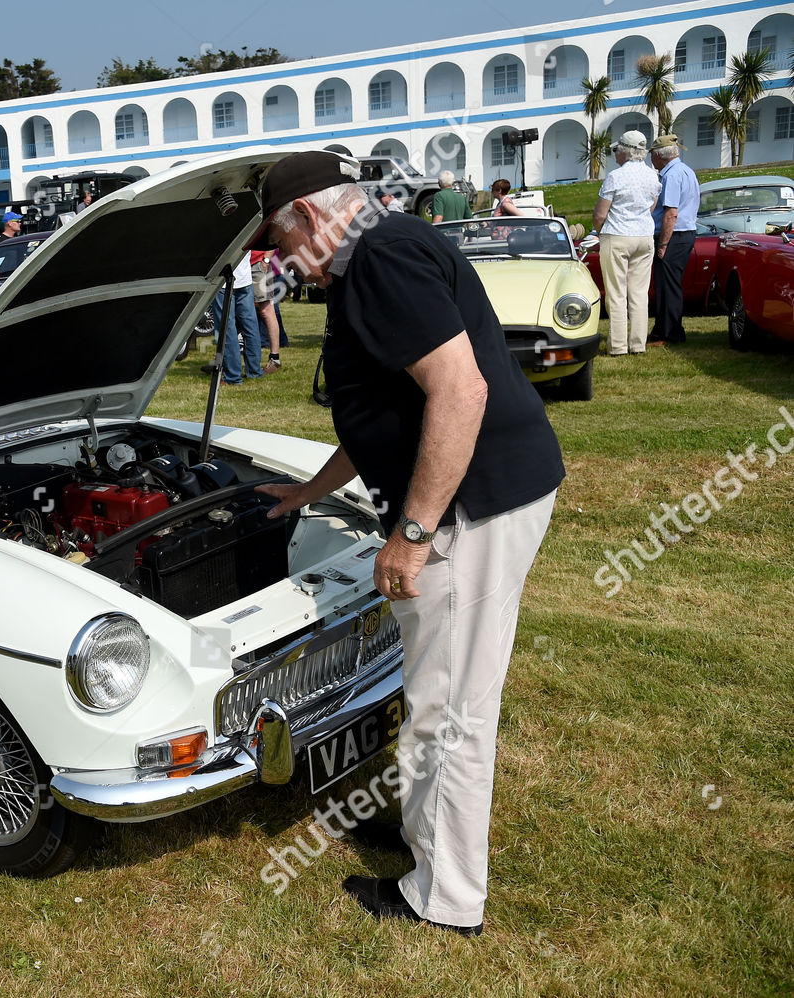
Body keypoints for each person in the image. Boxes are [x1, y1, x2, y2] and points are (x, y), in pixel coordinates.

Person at [247, 150, 562, 936]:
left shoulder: (381, 260)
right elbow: (390, 405)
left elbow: (461, 390)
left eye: (281, 246)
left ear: (313, 219)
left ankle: (445, 897)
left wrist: (414, 535)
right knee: (443, 691)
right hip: (492, 494)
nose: (285, 265)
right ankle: (428, 833)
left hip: (470, 510)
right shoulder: (383, 249)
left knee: (447, 708)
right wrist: (309, 492)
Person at [592, 130, 661, 356]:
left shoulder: (615, 176)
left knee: (616, 293)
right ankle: (638, 344)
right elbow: (652, 206)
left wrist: (603, 234)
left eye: (617, 150)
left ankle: (619, 345)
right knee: (640, 293)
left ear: (625, 151)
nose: (615, 155)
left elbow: (600, 214)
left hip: (618, 235)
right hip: (644, 236)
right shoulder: (653, 175)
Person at [648, 134, 700, 345]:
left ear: (659, 155)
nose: (651, 158)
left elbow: (671, 213)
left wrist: (663, 244)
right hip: (684, 234)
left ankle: (669, 333)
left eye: (652, 154)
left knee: (667, 287)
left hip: (674, 235)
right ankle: (665, 329)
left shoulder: (671, 176)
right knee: (669, 285)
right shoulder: (686, 171)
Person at [209, 252, 262, 385]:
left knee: (227, 328)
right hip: (244, 277)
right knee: (250, 325)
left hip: (224, 280)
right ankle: (254, 371)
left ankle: (233, 376)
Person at [249, 249, 280, 372]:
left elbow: (272, 237)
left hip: (258, 263)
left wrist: (266, 260)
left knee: (267, 311)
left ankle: (275, 358)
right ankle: (224, 360)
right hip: (241, 264)